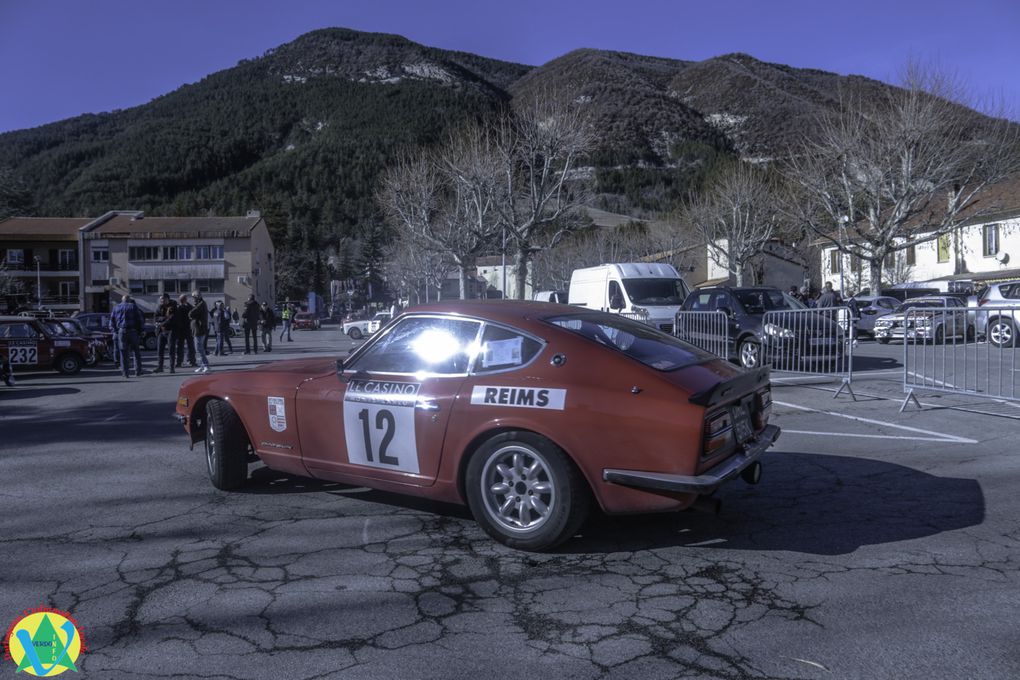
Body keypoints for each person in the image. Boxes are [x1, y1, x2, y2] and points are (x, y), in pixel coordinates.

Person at [110, 293, 145, 377]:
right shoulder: (133, 306)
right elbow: (139, 320)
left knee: (123, 353)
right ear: (129, 300)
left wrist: (116, 331)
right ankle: (138, 371)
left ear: (122, 300)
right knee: (136, 352)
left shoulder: (116, 307)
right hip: (133, 331)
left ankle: (125, 373)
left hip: (121, 332)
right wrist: (140, 331)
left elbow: (112, 321)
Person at [154, 293, 178, 374]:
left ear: (167, 299)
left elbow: (171, 319)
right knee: (160, 350)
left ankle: (172, 367)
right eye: (161, 299)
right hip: (161, 331)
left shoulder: (173, 306)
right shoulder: (159, 307)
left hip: (171, 330)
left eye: (163, 299)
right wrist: (163, 319)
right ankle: (160, 367)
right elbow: (155, 317)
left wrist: (161, 323)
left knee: (171, 349)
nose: (162, 300)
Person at [189, 291, 211, 373]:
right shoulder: (200, 303)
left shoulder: (201, 304)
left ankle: (206, 365)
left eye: (193, 297)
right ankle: (202, 365)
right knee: (199, 348)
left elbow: (191, 313)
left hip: (199, 329)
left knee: (199, 348)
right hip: (198, 329)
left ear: (197, 296)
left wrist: (192, 314)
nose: (193, 299)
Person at [175, 294, 197, 367]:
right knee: (181, 347)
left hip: (187, 329)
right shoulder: (178, 307)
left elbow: (193, 310)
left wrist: (187, 303)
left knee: (189, 346)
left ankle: (191, 360)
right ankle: (180, 362)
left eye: (185, 298)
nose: (185, 300)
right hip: (181, 329)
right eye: (184, 299)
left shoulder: (187, 306)